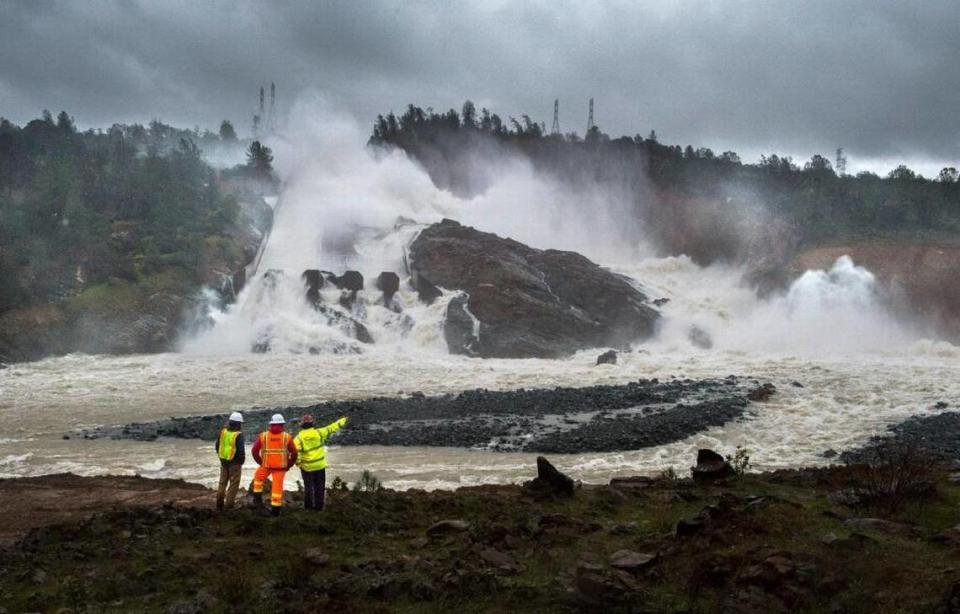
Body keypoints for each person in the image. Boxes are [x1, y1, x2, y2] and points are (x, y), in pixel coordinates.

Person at [294, 414, 348, 511]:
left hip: (307, 467)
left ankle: (308, 508)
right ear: (312, 423)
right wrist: (343, 420)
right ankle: (319, 507)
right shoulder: (319, 433)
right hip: (319, 466)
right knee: (320, 487)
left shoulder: (298, 439)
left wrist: (298, 463)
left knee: (308, 487)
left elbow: (296, 453)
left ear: (302, 424)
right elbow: (332, 428)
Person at [251, 413, 298, 516]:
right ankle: (275, 511)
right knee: (277, 488)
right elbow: (294, 453)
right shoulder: (287, 437)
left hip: (266, 466)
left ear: (271, 424)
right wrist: (289, 464)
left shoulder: (263, 436)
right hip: (280, 468)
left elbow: (254, 451)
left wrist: (261, 462)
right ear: (282, 424)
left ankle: (257, 501)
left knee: (258, 479)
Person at [214, 411, 245, 511]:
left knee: (222, 483)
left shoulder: (223, 432)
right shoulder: (238, 435)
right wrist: (241, 461)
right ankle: (229, 505)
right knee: (233, 484)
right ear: (238, 424)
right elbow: (241, 450)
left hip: (223, 461)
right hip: (234, 463)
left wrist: (221, 457)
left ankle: (219, 505)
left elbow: (217, 446)